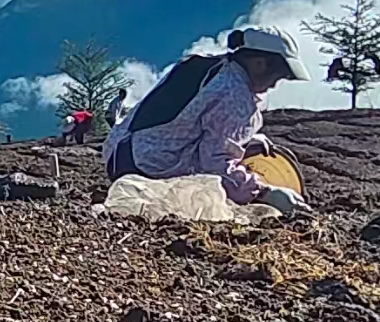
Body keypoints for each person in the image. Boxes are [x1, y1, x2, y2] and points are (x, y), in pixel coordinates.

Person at [103, 27, 310, 216]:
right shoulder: (236, 94)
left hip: (120, 150)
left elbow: (188, 121)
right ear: (259, 63)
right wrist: (264, 193)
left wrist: (245, 140)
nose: (275, 84)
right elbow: (215, 164)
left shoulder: (208, 65)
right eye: (278, 75)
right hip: (146, 168)